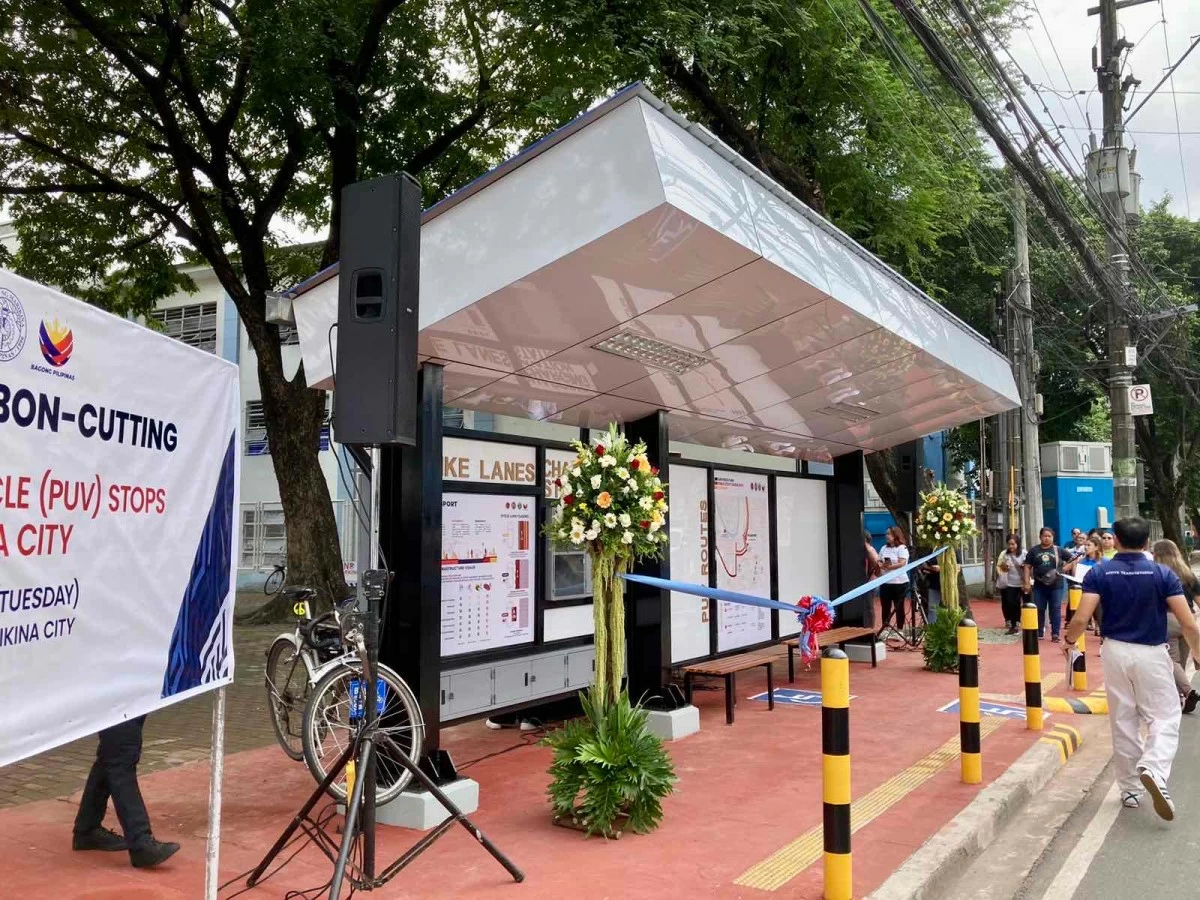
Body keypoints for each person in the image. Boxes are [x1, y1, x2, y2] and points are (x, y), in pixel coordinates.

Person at [1064, 517, 1200, 820]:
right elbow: (1188, 623)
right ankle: (1153, 767)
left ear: (1117, 541)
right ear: (1146, 543)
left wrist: (1069, 640)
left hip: (1113, 651)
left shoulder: (1100, 572)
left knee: (1124, 717)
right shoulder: (1162, 573)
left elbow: (1080, 617)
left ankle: (1129, 790)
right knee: (1165, 715)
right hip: (1151, 652)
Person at [73, 717, 180, 868]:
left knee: (111, 754)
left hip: (124, 698)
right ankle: (141, 843)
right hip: (114, 699)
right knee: (122, 754)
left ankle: (87, 829)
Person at [1152, 539, 1200, 714]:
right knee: (1181, 661)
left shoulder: (1157, 574)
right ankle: (1181, 697)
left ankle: (1188, 691)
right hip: (1188, 619)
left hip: (1167, 619)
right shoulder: (1187, 574)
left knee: (1172, 661)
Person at [1023, 527, 1072, 642]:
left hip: (1056, 585)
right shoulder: (1034, 551)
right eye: (1044, 536)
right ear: (1040, 537)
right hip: (1039, 586)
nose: (1047, 538)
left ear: (1053, 537)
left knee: (1055, 608)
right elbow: (1027, 567)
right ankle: (1039, 632)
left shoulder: (1059, 550)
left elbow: (1073, 559)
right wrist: (1026, 582)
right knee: (1039, 609)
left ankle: (1055, 634)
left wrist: (1063, 569)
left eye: (1049, 536)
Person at [878, 526, 910, 635]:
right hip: (885, 582)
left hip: (899, 583)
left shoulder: (902, 548)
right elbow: (879, 560)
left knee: (899, 607)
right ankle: (885, 629)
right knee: (885, 607)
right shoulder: (883, 548)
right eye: (886, 534)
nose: (886, 536)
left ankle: (900, 629)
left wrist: (891, 567)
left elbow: (902, 563)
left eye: (889, 534)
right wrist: (881, 565)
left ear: (895, 536)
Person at [995, 533, 1026, 635]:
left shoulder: (1024, 553)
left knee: (1027, 604)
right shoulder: (1005, 554)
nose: (1011, 546)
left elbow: (1029, 567)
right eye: (1009, 544)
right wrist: (1005, 567)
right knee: (1012, 604)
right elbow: (1000, 567)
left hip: (1022, 582)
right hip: (1010, 583)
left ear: (1018, 544)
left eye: (1013, 544)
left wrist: (1023, 566)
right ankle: (1014, 624)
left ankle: (1029, 623)